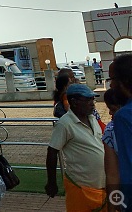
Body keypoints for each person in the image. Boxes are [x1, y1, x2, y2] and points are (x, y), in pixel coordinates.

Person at [45, 84, 106, 211]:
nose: (92, 103)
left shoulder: (93, 119)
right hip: (80, 186)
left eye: (92, 100)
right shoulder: (64, 124)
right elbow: (52, 151)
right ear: (74, 102)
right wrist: (52, 182)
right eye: (88, 100)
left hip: (101, 186)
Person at [108, 54, 132, 211]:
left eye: (112, 79)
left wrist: (116, 204)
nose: (111, 85)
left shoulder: (123, 116)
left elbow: (127, 167)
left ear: (123, 81)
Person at [102, 87, 127, 211]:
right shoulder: (111, 131)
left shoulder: (111, 131)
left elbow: (112, 175)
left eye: (113, 109)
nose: (110, 114)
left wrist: (112, 207)